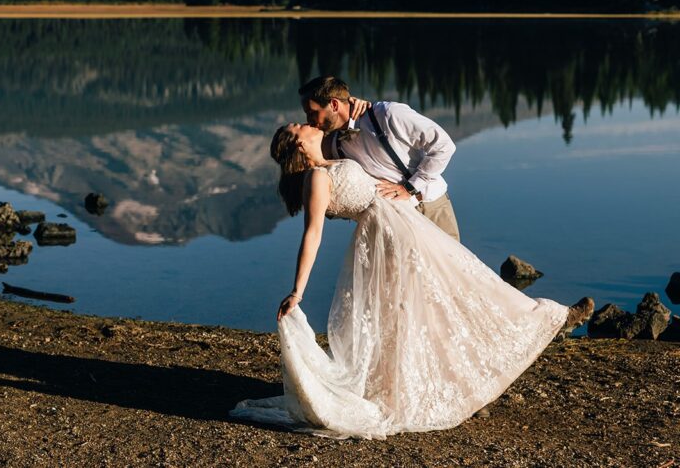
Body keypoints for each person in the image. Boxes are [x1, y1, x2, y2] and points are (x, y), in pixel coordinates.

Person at [230, 123, 594, 439]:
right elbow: (313, 234)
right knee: (449, 295)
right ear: (297, 144)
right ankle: (545, 319)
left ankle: (541, 322)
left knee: (457, 288)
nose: (308, 124)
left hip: (401, 227)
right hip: (390, 238)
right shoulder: (317, 178)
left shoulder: (329, 164)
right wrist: (298, 290)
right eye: (300, 127)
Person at [299, 76, 461, 241]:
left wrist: (410, 187)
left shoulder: (387, 114)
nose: (309, 120)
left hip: (431, 207)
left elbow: (444, 146)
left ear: (334, 104)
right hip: (394, 226)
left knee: (452, 266)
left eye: (312, 112)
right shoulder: (333, 144)